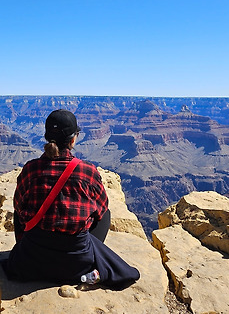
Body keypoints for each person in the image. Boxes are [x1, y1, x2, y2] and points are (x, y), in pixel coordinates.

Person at [7, 109, 140, 287]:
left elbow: (20, 207)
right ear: (73, 139)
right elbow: (101, 209)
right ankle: (91, 258)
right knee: (105, 213)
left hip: (31, 261)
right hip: (76, 264)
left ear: (47, 137)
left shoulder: (31, 169)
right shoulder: (87, 171)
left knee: (18, 212)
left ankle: (26, 253)